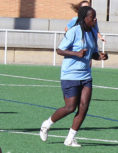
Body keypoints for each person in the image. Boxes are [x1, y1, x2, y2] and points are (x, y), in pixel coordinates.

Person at [39, 6, 108, 147]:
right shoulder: (74, 32)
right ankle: (46, 124)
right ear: (84, 18)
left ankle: (70, 138)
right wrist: (76, 54)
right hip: (70, 75)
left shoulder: (93, 32)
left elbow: (93, 53)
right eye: (92, 17)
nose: (95, 19)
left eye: (95, 17)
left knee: (84, 107)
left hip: (86, 75)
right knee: (70, 107)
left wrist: (100, 56)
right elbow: (59, 50)